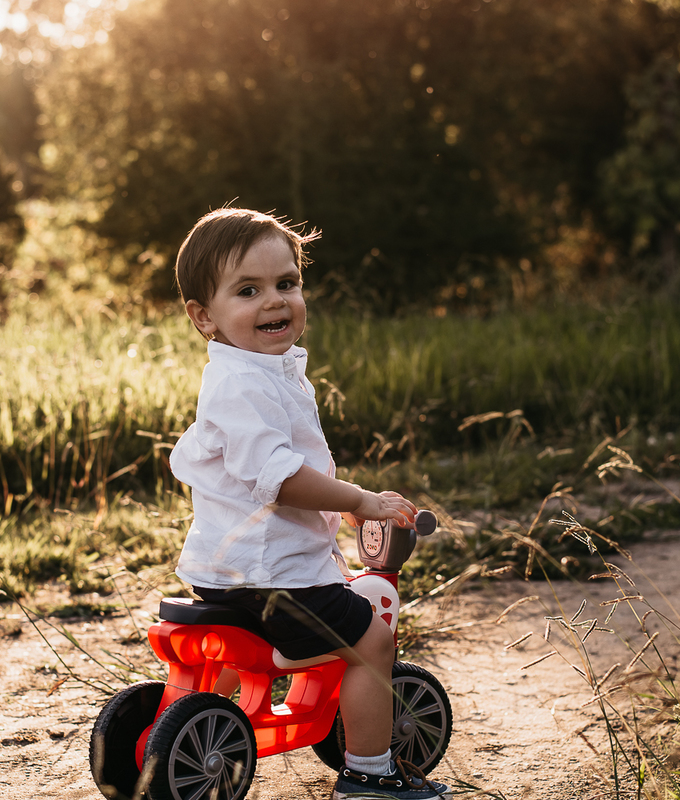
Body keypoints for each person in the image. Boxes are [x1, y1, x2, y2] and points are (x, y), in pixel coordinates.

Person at [168, 207, 451, 800]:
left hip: (229, 576)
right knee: (371, 640)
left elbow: (286, 474)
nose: (274, 301)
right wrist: (363, 499)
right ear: (204, 316)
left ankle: (198, 730)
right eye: (248, 290)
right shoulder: (246, 382)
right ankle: (371, 773)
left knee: (249, 654)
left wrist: (338, 507)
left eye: (286, 284)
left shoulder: (259, 371)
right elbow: (279, 478)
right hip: (275, 580)